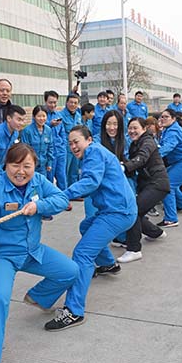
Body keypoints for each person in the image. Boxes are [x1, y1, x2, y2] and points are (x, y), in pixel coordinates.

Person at [0, 143, 78, 363]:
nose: (20, 171)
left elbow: (62, 199)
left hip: (32, 251)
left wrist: (39, 205)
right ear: (5, 166)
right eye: (15, 165)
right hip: (2, 255)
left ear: (34, 166)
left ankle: (38, 297)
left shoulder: (39, 182)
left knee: (70, 270)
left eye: (27, 166)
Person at [44, 125, 136, 331]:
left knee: (82, 254)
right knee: (86, 226)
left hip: (117, 213)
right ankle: (108, 264)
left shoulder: (93, 152)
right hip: (117, 210)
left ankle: (74, 311)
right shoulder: (93, 154)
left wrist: (63, 195)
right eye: (70, 143)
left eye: (76, 141)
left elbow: (90, 182)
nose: (73, 146)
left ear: (89, 140)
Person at [117, 117, 170, 263]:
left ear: (144, 129)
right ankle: (156, 233)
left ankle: (134, 249)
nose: (132, 131)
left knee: (133, 210)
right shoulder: (135, 143)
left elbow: (141, 159)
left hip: (157, 183)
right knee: (137, 211)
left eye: (136, 128)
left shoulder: (147, 141)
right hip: (150, 184)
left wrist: (123, 167)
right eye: (130, 128)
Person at [20, 105, 53, 177]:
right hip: (30, 165)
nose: (41, 119)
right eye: (39, 116)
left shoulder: (48, 130)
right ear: (34, 117)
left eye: (44, 116)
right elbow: (24, 149)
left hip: (43, 166)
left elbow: (50, 148)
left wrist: (49, 163)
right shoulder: (27, 131)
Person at [43, 90, 67, 191]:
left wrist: (64, 145)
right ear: (45, 102)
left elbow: (62, 133)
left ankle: (64, 198)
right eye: (50, 102)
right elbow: (37, 129)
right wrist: (49, 124)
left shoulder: (58, 116)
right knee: (49, 176)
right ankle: (51, 199)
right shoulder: (41, 115)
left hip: (60, 150)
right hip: (48, 151)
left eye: (54, 102)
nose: (53, 105)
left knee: (61, 175)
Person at [59, 94, 82, 187]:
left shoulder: (77, 115)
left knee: (74, 170)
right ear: (66, 103)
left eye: (75, 103)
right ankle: (64, 192)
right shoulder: (60, 115)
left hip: (77, 147)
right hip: (66, 148)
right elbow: (60, 133)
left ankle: (74, 192)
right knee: (65, 171)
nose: (73, 105)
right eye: (71, 102)